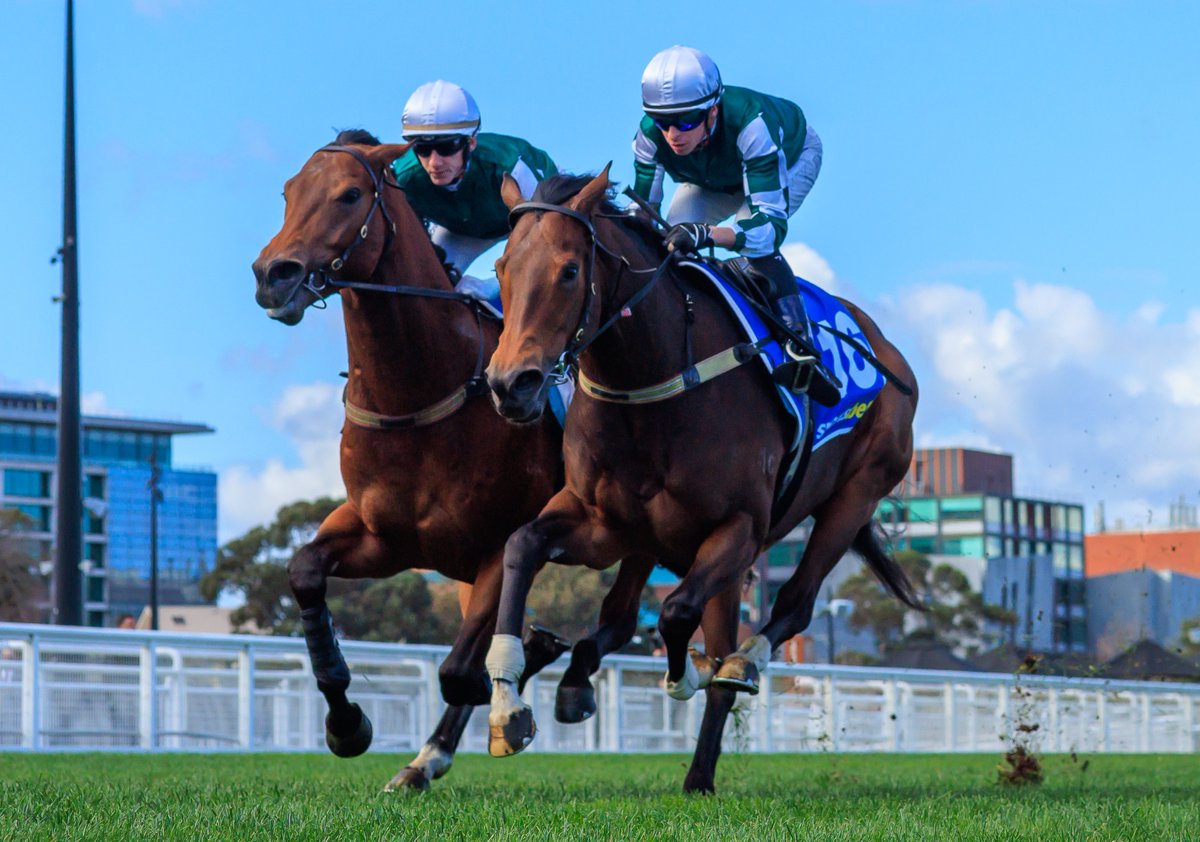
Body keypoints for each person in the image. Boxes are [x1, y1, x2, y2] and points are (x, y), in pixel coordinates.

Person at [630, 46, 840, 406]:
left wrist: (708, 234)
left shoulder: (752, 126)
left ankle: (802, 351)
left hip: (787, 159)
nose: (673, 135)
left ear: (713, 111)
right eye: (664, 122)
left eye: (685, 121)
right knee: (665, 242)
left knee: (751, 243)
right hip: (713, 176)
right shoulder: (649, 137)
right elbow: (644, 217)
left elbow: (767, 229)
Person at [391, 80, 558, 300]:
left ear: (470, 143)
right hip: (460, 229)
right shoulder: (403, 178)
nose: (434, 163)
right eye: (422, 149)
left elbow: (548, 244)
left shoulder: (511, 168)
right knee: (426, 288)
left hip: (533, 218)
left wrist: (494, 286)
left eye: (446, 147)